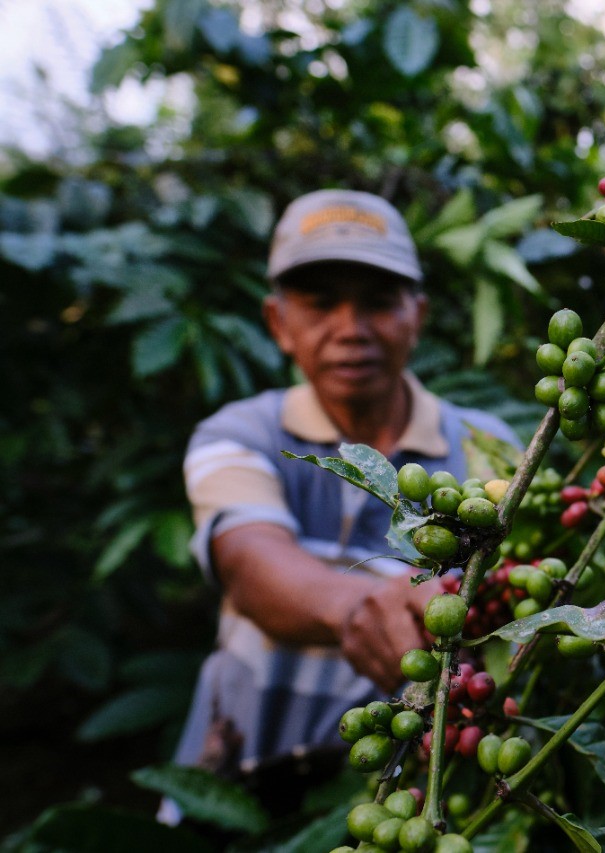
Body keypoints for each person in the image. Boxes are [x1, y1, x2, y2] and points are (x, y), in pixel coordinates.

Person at [165, 189, 518, 817]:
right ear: (278, 324)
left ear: (419, 316)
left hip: (409, 800)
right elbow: (249, 562)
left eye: (379, 303)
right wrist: (357, 607)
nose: (351, 331)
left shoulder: (491, 452)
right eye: (321, 303)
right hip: (234, 777)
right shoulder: (241, 433)